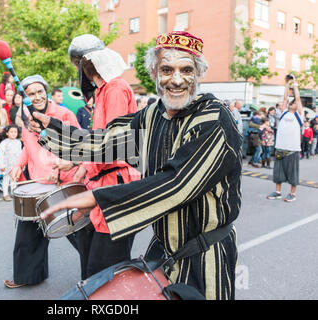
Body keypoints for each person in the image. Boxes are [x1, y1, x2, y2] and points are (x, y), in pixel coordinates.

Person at [35, 31, 242, 300]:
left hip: (207, 258)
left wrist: (98, 197)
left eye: (186, 69)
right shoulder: (153, 115)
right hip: (164, 255)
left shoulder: (214, 119)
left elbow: (176, 185)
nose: (176, 80)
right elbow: (108, 141)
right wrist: (52, 128)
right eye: (167, 69)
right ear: (154, 73)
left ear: (198, 74)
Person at [57, 33, 141, 280]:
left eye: (78, 65)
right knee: (89, 256)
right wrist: (82, 165)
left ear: (86, 63)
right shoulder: (103, 91)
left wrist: (76, 161)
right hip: (103, 182)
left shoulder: (115, 88)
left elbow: (110, 144)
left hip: (116, 185)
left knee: (104, 270)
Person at [4, 74, 83, 289]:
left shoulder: (64, 113)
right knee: (29, 232)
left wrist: (60, 167)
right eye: (31, 93)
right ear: (25, 96)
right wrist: (18, 164)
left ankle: (97, 274)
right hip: (38, 183)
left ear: (46, 92)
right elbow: (27, 147)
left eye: (40, 91)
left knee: (78, 231)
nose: (37, 96)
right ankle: (27, 276)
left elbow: (79, 146)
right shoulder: (25, 116)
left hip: (63, 182)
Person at [267, 74, 304, 203]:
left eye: (294, 103)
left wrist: (294, 85)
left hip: (292, 149)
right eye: (291, 102)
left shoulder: (299, 115)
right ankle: (278, 192)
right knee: (278, 172)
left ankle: (292, 194)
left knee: (292, 173)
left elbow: (298, 98)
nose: (291, 103)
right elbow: (285, 98)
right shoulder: (283, 113)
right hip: (280, 148)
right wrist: (287, 84)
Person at [0, 124, 22, 201]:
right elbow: (1, 154)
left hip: (15, 164)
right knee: (6, 179)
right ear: (7, 133)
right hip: (7, 165)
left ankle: (13, 192)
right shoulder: (4, 143)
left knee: (14, 179)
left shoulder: (18, 142)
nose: (13, 133)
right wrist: (2, 165)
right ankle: (5, 194)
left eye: (15, 132)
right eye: (11, 132)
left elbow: (20, 153)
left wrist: (20, 164)